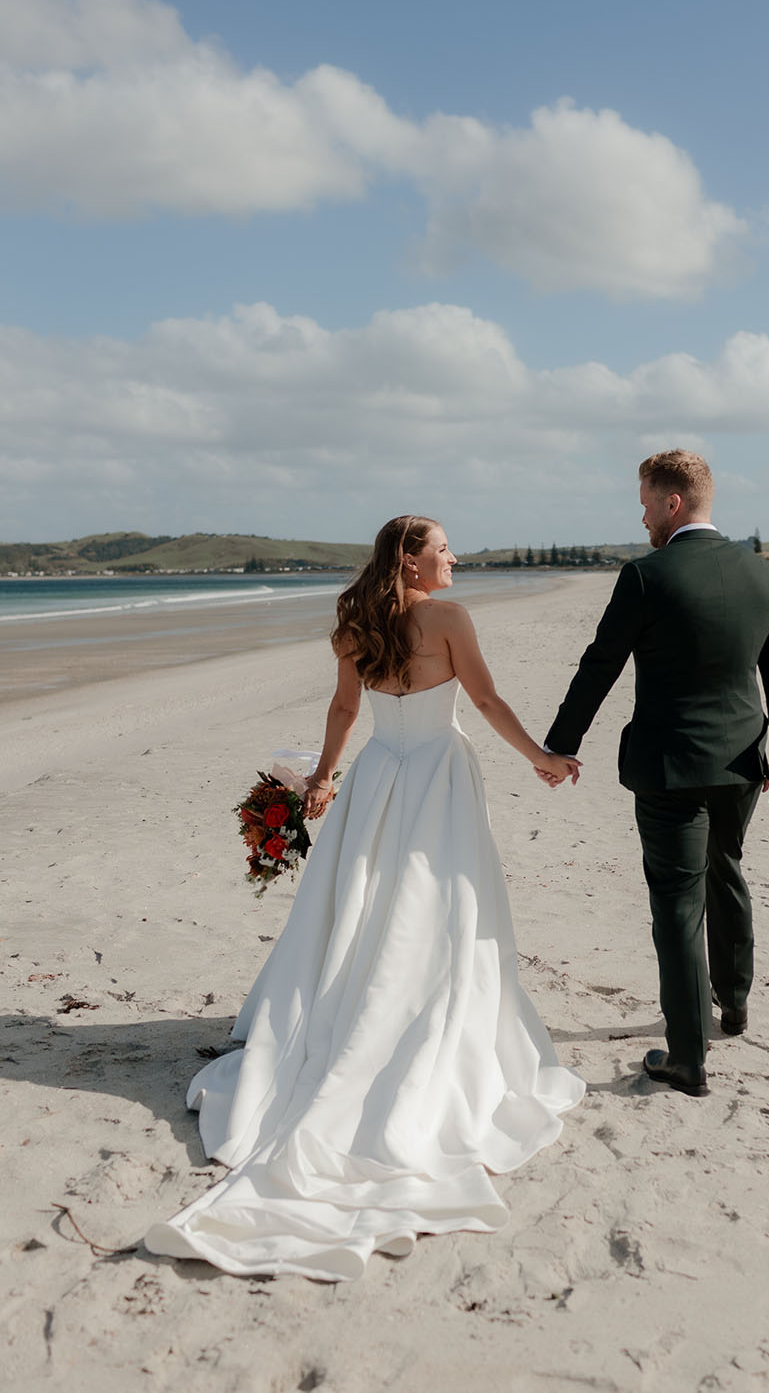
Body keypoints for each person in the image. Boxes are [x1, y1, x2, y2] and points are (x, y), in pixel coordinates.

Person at [145, 515, 584, 1280]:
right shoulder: (448, 618)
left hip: (380, 771)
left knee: (365, 900)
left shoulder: (355, 619)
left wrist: (323, 778)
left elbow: (345, 711)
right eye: (443, 549)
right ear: (411, 562)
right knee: (436, 902)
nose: (455, 558)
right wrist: (541, 757)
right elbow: (482, 701)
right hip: (439, 773)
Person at [544, 451, 769, 1098]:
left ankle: (687, 1058)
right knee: (727, 870)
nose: (640, 516)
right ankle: (734, 1007)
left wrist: (561, 744)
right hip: (744, 761)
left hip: (669, 769)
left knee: (677, 906)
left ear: (673, 504)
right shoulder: (764, 576)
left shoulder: (645, 577)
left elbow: (599, 664)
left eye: (645, 502)